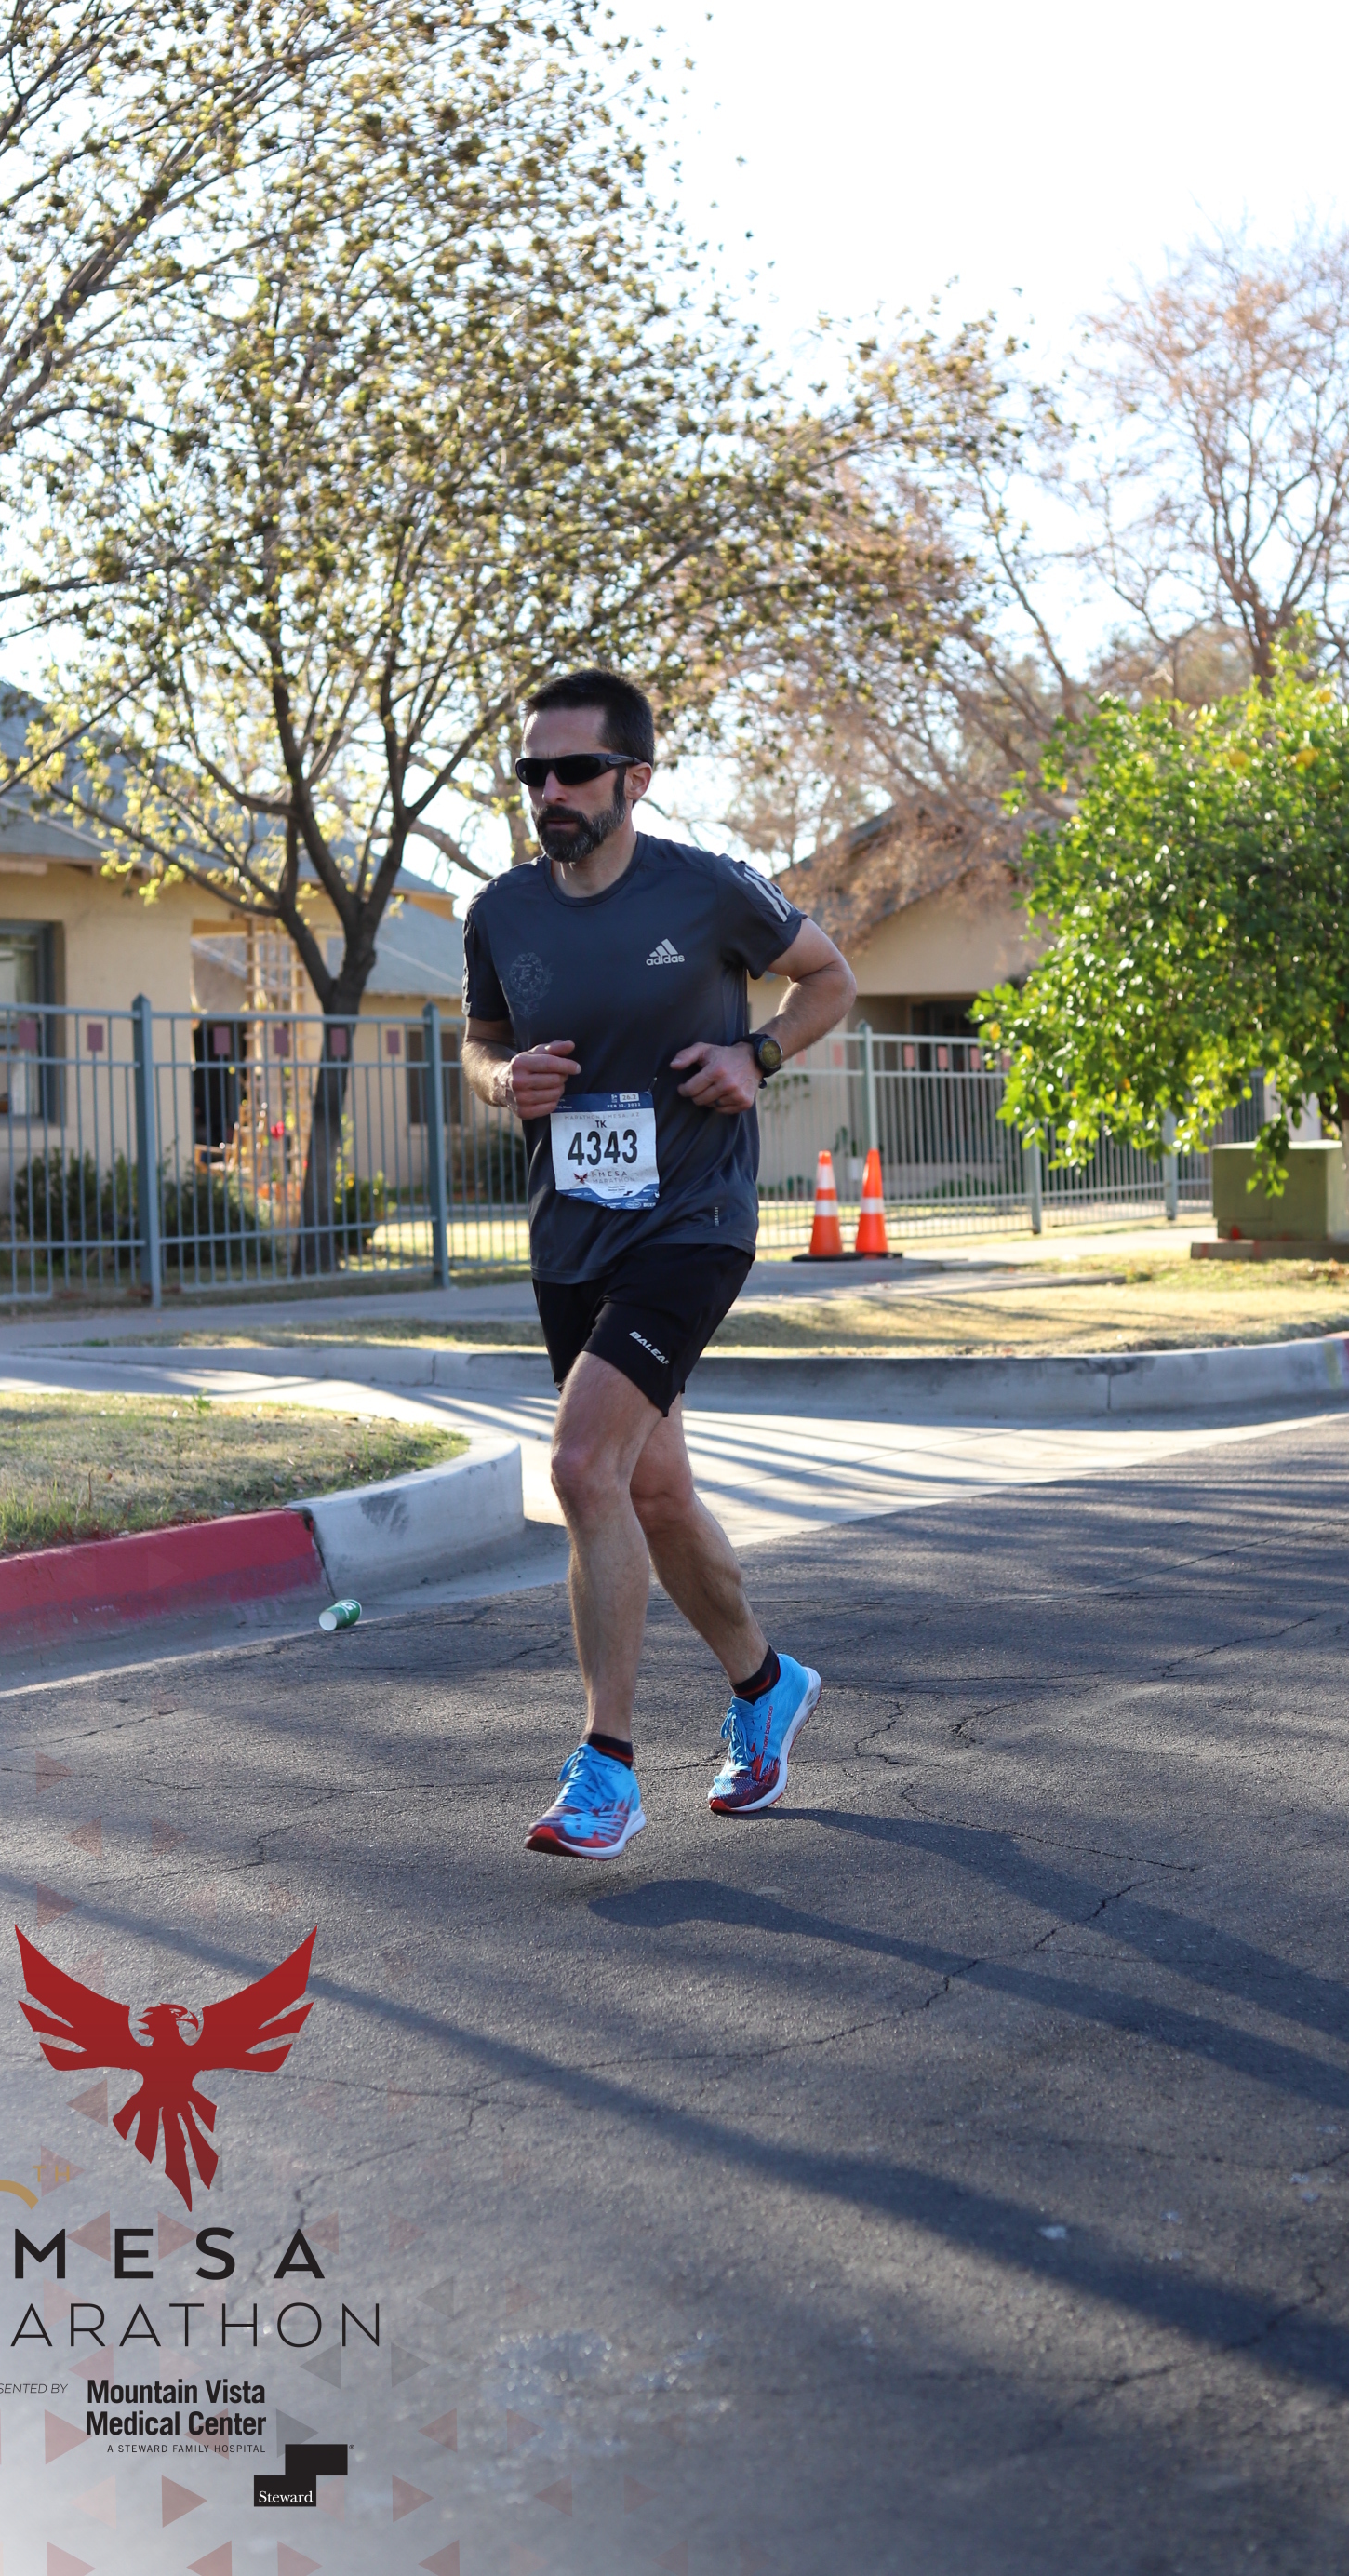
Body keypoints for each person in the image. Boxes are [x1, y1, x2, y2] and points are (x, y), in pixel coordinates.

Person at [461, 669, 858, 1859]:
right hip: (571, 1236)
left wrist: (757, 1055)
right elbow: (480, 1046)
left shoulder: (709, 889)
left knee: (582, 1466)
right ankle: (766, 1685)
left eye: (574, 770)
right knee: (653, 1493)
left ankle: (607, 1770)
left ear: (634, 778)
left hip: (691, 1224)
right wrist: (502, 1081)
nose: (549, 791)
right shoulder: (499, 913)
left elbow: (830, 977)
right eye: (532, 772)